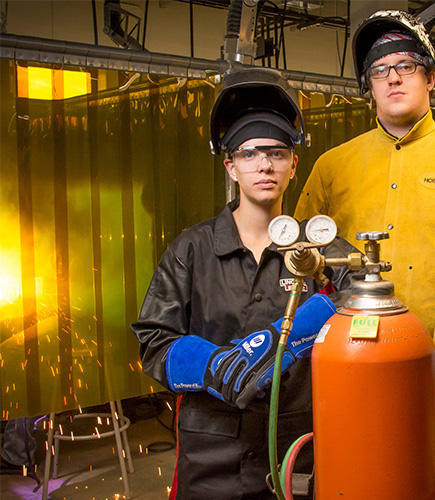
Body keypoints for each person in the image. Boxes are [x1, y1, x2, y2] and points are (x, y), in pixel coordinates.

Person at [131, 68, 359, 500]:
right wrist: (213, 366)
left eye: (276, 152)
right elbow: (154, 341)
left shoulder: (325, 248)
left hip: (297, 446)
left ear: (294, 163)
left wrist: (298, 330)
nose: (265, 165)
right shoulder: (191, 250)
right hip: (210, 450)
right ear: (230, 166)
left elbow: (363, 308)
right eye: (250, 154)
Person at [294, 10, 435, 336]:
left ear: (431, 78)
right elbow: (299, 263)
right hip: (350, 350)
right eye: (380, 70)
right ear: (369, 85)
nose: (393, 78)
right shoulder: (331, 167)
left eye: (406, 66)